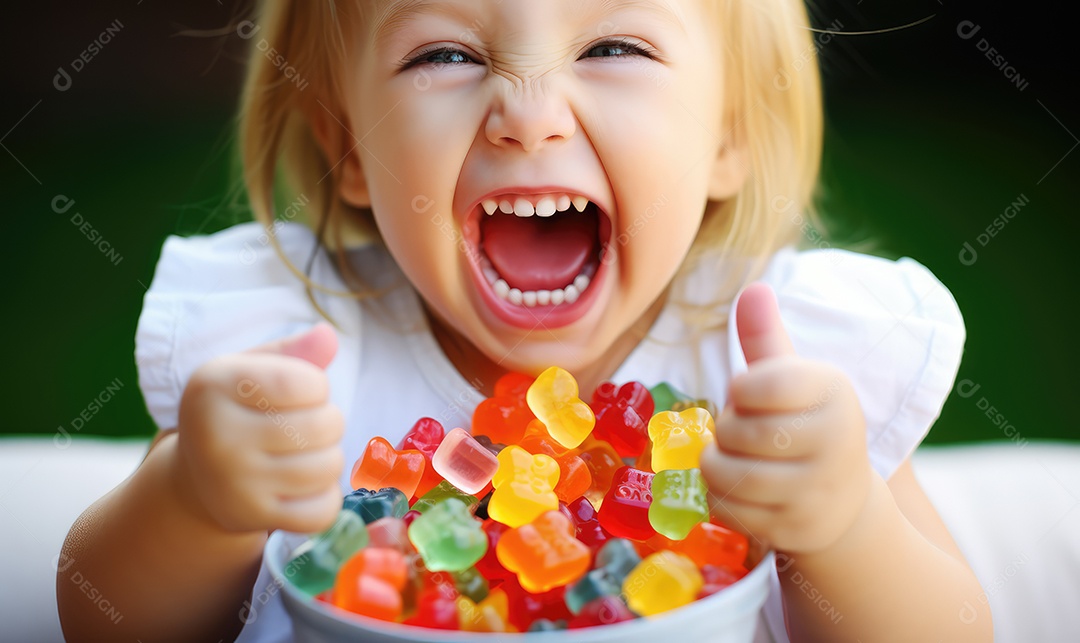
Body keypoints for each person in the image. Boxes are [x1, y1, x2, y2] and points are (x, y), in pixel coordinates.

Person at [57, 1, 992, 641]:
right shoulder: (291, 340)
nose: (528, 113)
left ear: (728, 136)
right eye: (445, 54)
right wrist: (194, 501)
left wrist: (843, 526)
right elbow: (105, 618)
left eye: (612, 46)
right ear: (346, 147)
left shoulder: (782, 363)